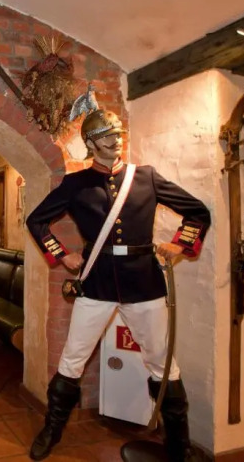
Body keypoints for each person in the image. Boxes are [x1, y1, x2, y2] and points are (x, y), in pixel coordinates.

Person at [25, 109, 211, 462]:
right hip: (97, 283)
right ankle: (52, 429)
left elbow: (197, 212)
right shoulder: (76, 184)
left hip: (144, 283)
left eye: (118, 133)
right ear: (91, 143)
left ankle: (179, 447)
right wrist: (62, 255)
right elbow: (36, 221)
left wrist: (180, 244)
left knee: (162, 363)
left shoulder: (145, 177)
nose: (116, 140)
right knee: (73, 358)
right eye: (107, 136)